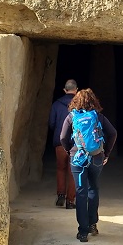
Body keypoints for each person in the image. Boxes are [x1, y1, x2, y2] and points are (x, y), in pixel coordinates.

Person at [59, 88, 117, 242]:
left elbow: (63, 137)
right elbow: (113, 133)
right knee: (93, 188)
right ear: (93, 101)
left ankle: (83, 231)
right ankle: (92, 224)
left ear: (75, 102)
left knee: (81, 192)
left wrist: (69, 150)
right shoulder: (98, 116)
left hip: (77, 159)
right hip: (97, 157)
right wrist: (107, 153)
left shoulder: (72, 117)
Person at [48, 79, 79, 208]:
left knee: (61, 169)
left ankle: (60, 195)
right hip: (76, 143)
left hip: (60, 142)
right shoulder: (80, 105)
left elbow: (51, 123)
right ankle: (70, 201)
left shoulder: (56, 104)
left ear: (64, 90)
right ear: (76, 90)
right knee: (73, 171)